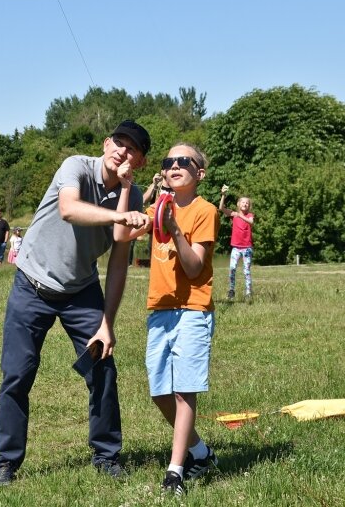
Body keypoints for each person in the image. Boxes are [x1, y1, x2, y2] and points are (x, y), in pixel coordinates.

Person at [0, 119, 152, 487]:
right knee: (17, 374)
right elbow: (69, 208)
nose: (121, 152)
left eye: (132, 150)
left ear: (140, 162)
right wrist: (119, 214)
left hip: (81, 291)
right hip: (32, 284)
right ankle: (7, 461)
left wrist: (106, 323)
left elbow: (117, 258)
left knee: (103, 368)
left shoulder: (134, 194)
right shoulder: (76, 166)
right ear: (105, 143)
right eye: (118, 143)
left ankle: (106, 455)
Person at [114, 142, 220, 496]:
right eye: (168, 161)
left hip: (192, 308)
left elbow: (194, 268)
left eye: (183, 161)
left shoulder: (205, 211)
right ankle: (200, 452)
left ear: (199, 174)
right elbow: (120, 236)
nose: (174, 165)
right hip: (159, 309)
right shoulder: (157, 206)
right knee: (159, 392)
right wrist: (128, 190)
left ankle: (176, 471)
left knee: (182, 392)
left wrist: (174, 229)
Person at [219, 185, 254, 301]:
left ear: (249, 206)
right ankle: (231, 290)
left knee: (246, 270)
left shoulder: (250, 215)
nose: (245, 204)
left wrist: (240, 216)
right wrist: (223, 195)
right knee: (232, 268)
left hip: (247, 248)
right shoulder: (234, 214)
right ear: (238, 204)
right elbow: (221, 208)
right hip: (236, 248)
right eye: (242, 202)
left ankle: (248, 291)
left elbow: (250, 222)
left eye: (247, 203)